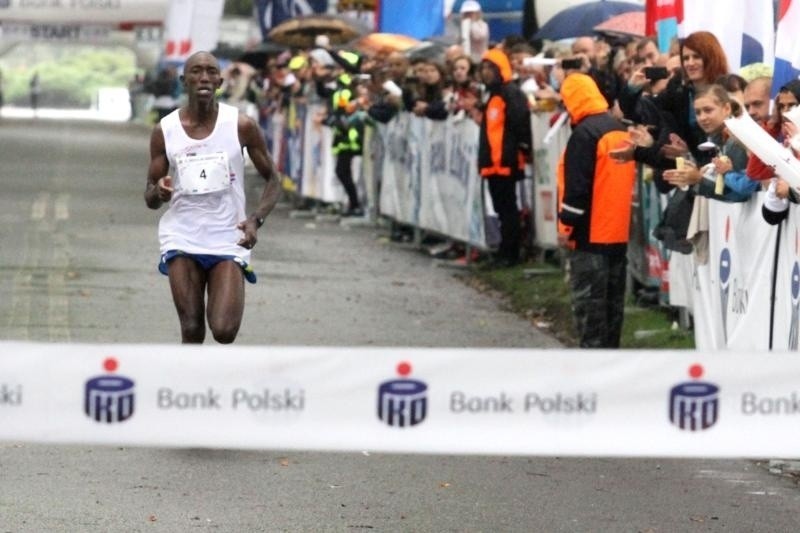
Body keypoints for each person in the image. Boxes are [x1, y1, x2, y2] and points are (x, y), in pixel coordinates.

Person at [144, 51, 281, 344]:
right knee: (192, 327)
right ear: (184, 80)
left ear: (220, 81)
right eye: (195, 71)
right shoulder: (165, 131)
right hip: (182, 235)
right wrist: (159, 192)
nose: (203, 77)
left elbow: (273, 179)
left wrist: (255, 220)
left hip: (227, 236)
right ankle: (190, 389)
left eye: (210, 71)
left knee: (224, 330)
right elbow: (149, 196)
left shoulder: (241, 125)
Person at [557, 72, 636, 348]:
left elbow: (577, 188)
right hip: (617, 233)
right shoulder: (617, 128)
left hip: (589, 233)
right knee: (613, 309)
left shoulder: (584, 134)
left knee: (590, 310)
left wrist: (566, 226)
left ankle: (592, 373)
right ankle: (611, 367)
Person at [478, 47, 532, 267]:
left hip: (506, 161)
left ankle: (510, 253)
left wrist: (521, 149)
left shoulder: (510, 93)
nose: (485, 72)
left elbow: (520, 124)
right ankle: (504, 250)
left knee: (508, 208)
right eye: (483, 68)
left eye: (490, 68)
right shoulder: (494, 94)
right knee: (502, 208)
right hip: (494, 162)